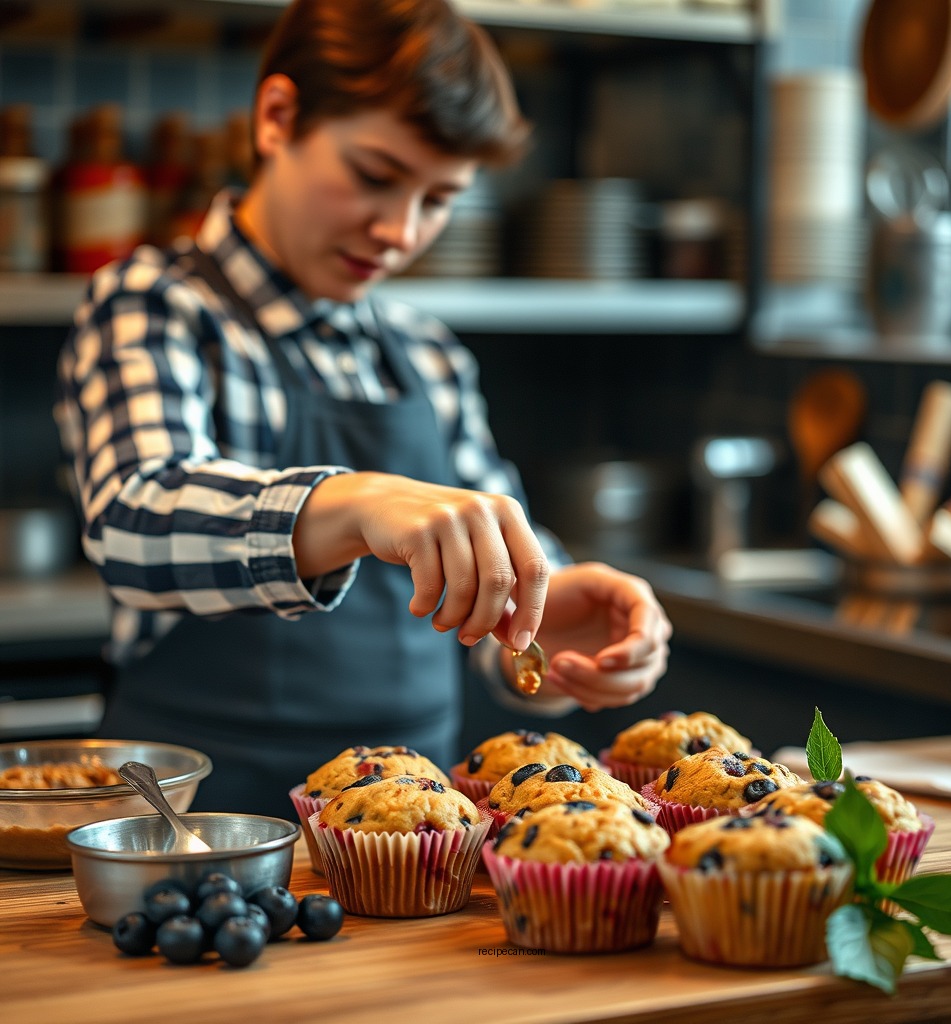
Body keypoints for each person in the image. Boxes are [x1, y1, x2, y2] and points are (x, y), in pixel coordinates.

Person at [54, 0, 673, 817]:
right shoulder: (155, 306)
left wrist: (544, 621)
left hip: (411, 839)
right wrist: (352, 501)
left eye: (438, 199)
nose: (398, 230)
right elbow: (134, 521)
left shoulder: (428, 353)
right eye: (375, 175)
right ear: (278, 118)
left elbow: (498, 585)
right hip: (199, 827)